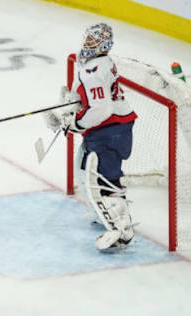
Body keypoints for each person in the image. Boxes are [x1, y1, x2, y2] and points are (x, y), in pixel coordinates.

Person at [45, 23, 137, 252]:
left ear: (103, 44)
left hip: (110, 129)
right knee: (84, 171)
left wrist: (75, 123)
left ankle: (122, 231)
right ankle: (103, 214)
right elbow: (91, 100)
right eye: (87, 39)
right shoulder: (99, 64)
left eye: (93, 41)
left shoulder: (92, 71)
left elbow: (100, 109)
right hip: (109, 128)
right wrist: (68, 108)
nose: (87, 44)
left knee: (106, 180)